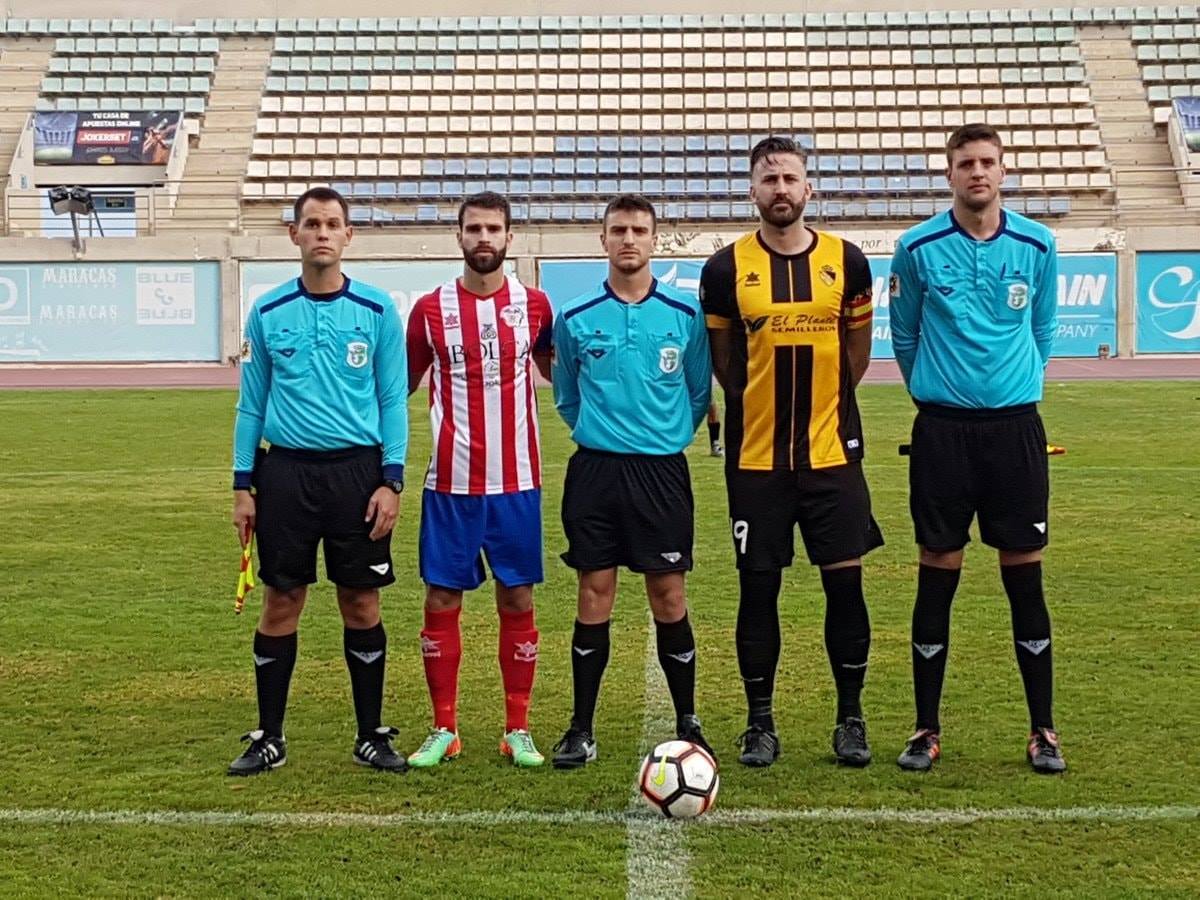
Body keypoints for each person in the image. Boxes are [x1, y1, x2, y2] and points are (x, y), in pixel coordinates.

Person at [701, 136, 883, 769]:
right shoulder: (725, 269)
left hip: (832, 455)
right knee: (759, 592)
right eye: (768, 178)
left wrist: (826, 404)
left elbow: (856, 351)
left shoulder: (847, 260)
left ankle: (851, 719)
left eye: (790, 178)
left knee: (846, 589)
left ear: (809, 188)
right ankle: (760, 723)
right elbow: (725, 364)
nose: (780, 188)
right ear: (752, 190)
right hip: (757, 461)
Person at [888, 122, 1065, 774]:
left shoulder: (1038, 243)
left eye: (988, 161)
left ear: (1002, 168)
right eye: (966, 163)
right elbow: (903, 339)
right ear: (950, 172)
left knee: (1025, 575)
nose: (978, 173)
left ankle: (1043, 730)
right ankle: (924, 729)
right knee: (938, 570)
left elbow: (1041, 329)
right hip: (942, 433)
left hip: (1015, 431)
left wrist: (1009, 391)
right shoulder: (918, 246)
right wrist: (940, 399)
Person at [228, 186, 408, 775]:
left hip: (357, 474)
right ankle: (269, 737)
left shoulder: (379, 311)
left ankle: (371, 735)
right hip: (286, 475)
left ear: (348, 235)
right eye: (312, 224)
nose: (323, 233)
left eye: (333, 223)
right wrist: (242, 486)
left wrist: (391, 481)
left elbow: (392, 402)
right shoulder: (269, 312)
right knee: (283, 600)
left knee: (360, 601)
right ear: (295, 235)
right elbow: (250, 406)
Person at [550, 194, 714, 768]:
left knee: (669, 595)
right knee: (594, 595)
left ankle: (688, 719)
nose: (628, 240)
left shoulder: (684, 316)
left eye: (639, 230)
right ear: (603, 240)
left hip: (662, 473)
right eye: (618, 229)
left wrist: (660, 437)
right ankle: (581, 726)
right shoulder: (573, 319)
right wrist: (606, 433)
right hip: (595, 472)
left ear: (653, 240)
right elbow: (567, 397)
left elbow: (697, 395)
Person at [405, 192, 554, 769]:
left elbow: (555, 372)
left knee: (516, 595)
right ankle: (445, 727)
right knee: (441, 596)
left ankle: (517, 727)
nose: (484, 238)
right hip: (449, 484)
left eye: (494, 228)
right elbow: (403, 388)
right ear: (459, 236)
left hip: (517, 483)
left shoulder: (535, 306)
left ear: (510, 238)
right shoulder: (429, 310)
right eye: (474, 228)